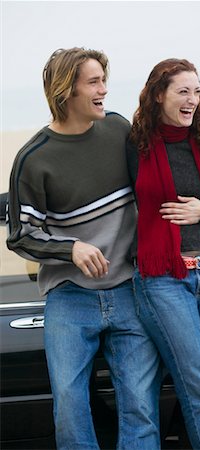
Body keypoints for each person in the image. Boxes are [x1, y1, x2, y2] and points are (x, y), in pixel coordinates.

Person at [6, 47, 162, 450]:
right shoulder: (33, 160)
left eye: (103, 80)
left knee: (141, 407)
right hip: (69, 299)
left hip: (130, 289)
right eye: (94, 82)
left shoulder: (117, 130)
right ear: (65, 91)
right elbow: (22, 235)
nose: (104, 90)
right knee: (70, 408)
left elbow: (161, 160)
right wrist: (70, 248)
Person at [126, 58, 200, 450]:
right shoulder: (134, 147)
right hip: (163, 281)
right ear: (159, 95)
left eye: (197, 91)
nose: (192, 99)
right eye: (182, 91)